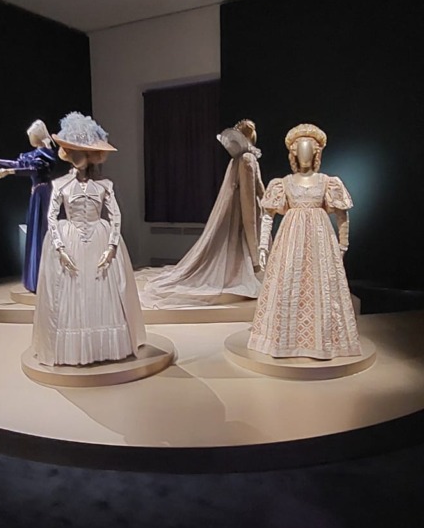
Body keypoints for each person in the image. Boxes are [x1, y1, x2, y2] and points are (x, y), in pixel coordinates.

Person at [30, 112, 145, 366]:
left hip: (99, 239)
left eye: (84, 151)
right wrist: (60, 247)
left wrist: (112, 246)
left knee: (101, 291)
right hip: (70, 238)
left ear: (93, 155)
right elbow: (51, 217)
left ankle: (102, 346)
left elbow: (115, 215)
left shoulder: (105, 185)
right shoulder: (60, 185)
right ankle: (72, 348)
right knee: (73, 294)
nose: (78, 156)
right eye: (74, 150)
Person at [248, 122, 363, 360]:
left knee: (322, 287)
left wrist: (343, 244)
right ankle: (284, 340)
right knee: (288, 285)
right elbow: (267, 216)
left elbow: (342, 215)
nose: (305, 156)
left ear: (316, 153)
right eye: (300, 151)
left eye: (309, 150)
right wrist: (263, 246)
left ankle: (323, 339)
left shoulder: (328, 182)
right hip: (290, 241)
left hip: (320, 241)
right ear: (293, 154)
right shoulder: (283, 183)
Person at [139, 118, 265, 308]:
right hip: (244, 216)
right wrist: (255, 257)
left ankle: (243, 272)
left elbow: (258, 190)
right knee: (240, 247)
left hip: (247, 213)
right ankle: (248, 272)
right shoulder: (246, 160)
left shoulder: (240, 159)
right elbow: (248, 199)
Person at [0, 120, 58, 293]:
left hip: (43, 194)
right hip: (37, 193)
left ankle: (46, 278)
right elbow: (19, 164)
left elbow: (32, 169)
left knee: (42, 231)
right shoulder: (36, 153)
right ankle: (36, 278)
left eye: (31, 136)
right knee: (36, 232)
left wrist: (8, 172)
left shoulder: (45, 155)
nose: (30, 139)